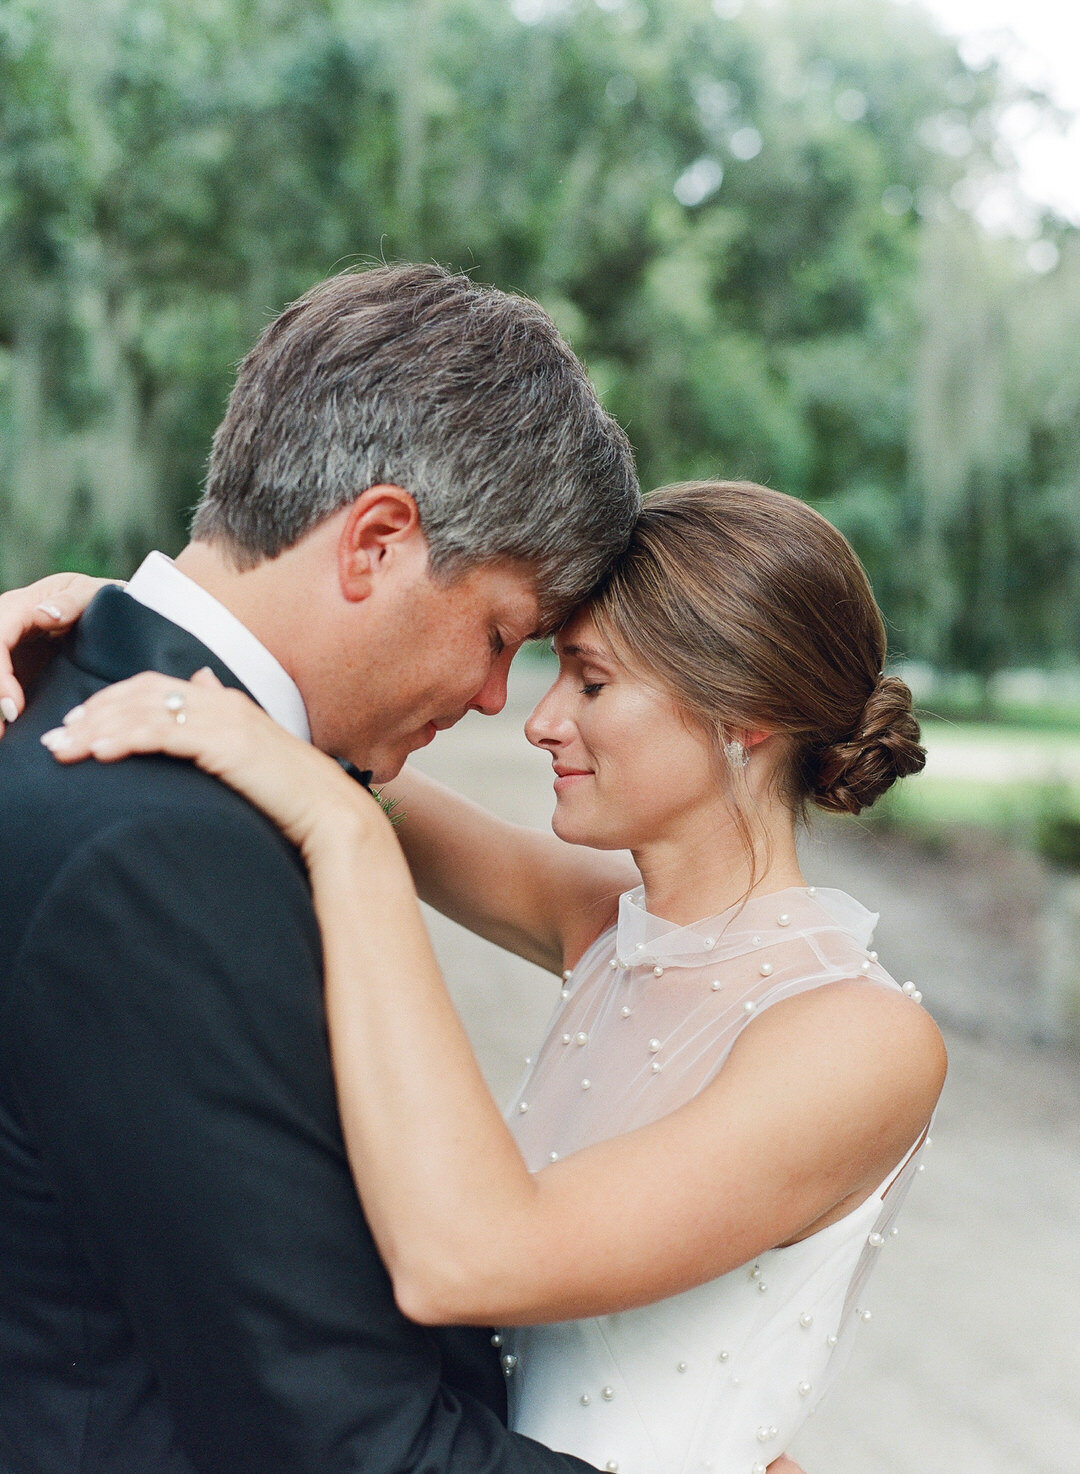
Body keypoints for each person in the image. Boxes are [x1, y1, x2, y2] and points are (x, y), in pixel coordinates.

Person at [4, 479, 946, 1473]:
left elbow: (473, 1258)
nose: (538, 721)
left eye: (588, 681)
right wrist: (122, 616)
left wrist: (347, 837)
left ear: (744, 714)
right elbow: (311, 727)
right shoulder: (608, 925)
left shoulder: (858, 1038)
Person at [0, 262, 649, 1474]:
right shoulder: (166, 848)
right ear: (379, 540)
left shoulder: (81, 714)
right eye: (500, 634)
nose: (493, 696)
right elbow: (343, 1438)